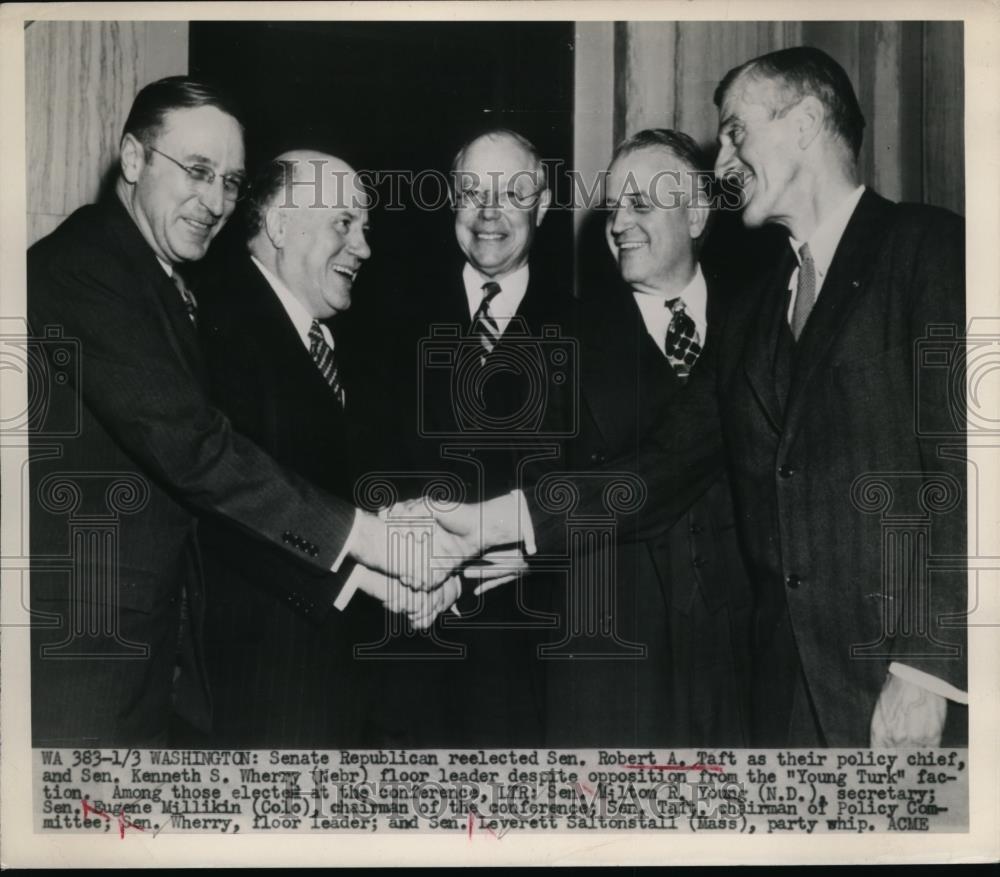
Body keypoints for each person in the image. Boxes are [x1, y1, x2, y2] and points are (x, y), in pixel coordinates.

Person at [424, 47, 967, 748]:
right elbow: (662, 467)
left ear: (805, 123)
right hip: (782, 699)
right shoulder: (759, 312)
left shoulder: (927, 249)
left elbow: (970, 471)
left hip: (900, 687)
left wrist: (926, 667)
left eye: (737, 132)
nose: (725, 161)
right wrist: (494, 522)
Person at [27, 78, 464, 747]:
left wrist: (379, 569)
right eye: (197, 171)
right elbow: (195, 449)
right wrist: (373, 543)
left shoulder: (162, 282)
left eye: (230, 182)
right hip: (88, 652)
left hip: (148, 653)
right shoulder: (84, 267)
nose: (215, 202)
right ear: (134, 158)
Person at [543, 129, 753, 747]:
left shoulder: (764, 318)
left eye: (639, 204)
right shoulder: (561, 341)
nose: (618, 224)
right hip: (615, 668)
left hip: (743, 660)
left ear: (697, 214)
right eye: (612, 207)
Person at [369, 128, 572, 746]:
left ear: (542, 205)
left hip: (533, 654)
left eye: (511, 194)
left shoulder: (586, 324)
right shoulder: (384, 312)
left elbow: (598, 486)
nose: (489, 212)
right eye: (472, 192)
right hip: (403, 638)